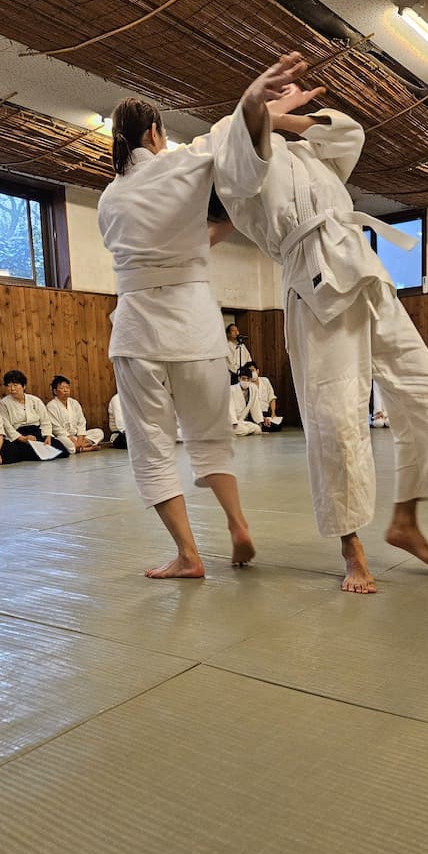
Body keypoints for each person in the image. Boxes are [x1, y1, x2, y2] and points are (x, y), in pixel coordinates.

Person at [215, 78, 428, 593]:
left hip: (364, 272)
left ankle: (405, 520)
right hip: (314, 287)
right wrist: (259, 111)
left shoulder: (312, 155)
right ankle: (352, 548)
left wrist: (287, 117)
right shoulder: (232, 147)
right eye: (266, 106)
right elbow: (243, 162)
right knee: (336, 421)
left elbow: (350, 136)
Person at [97, 53, 305, 578]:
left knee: (152, 447)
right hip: (193, 326)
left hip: (137, 329)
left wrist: (263, 112)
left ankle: (189, 555)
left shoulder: (109, 200)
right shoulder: (181, 163)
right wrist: (263, 105)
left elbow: (164, 246)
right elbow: (232, 139)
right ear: (155, 132)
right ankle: (237, 523)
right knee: (211, 438)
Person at [0, 369, 69, 460]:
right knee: (22, 452)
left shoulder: (35, 400)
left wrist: (47, 436)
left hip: (37, 432)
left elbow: (45, 420)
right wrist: (23, 438)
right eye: (9, 386)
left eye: (15, 385)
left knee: (62, 451)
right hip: (20, 434)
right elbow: (7, 426)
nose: (12, 389)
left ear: (24, 386)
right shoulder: (3, 403)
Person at [46, 376, 104, 455]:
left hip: (77, 436)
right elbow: (56, 428)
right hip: (64, 437)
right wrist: (72, 439)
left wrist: (79, 439)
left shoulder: (74, 403)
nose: (66, 390)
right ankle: (85, 448)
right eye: (62, 388)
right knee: (62, 441)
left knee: (98, 432)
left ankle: (79, 447)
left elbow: (81, 422)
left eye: (67, 387)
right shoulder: (51, 406)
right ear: (55, 391)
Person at [243, 361, 283, 430]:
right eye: (249, 372)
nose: (251, 373)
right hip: (253, 414)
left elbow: (272, 398)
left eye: (253, 370)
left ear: (257, 371)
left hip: (265, 413)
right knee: (258, 424)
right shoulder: (247, 385)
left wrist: (273, 413)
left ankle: (262, 425)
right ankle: (260, 425)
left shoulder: (265, 381)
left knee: (278, 426)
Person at [229, 367, 265, 435]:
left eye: (248, 379)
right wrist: (233, 422)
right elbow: (230, 408)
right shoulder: (231, 390)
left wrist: (259, 422)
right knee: (244, 430)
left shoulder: (253, 389)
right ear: (239, 378)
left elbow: (255, 406)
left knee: (257, 429)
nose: (246, 381)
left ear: (250, 380)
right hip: (231, 422)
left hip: (241, 421)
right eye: (243, 378)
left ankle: (244, 430)